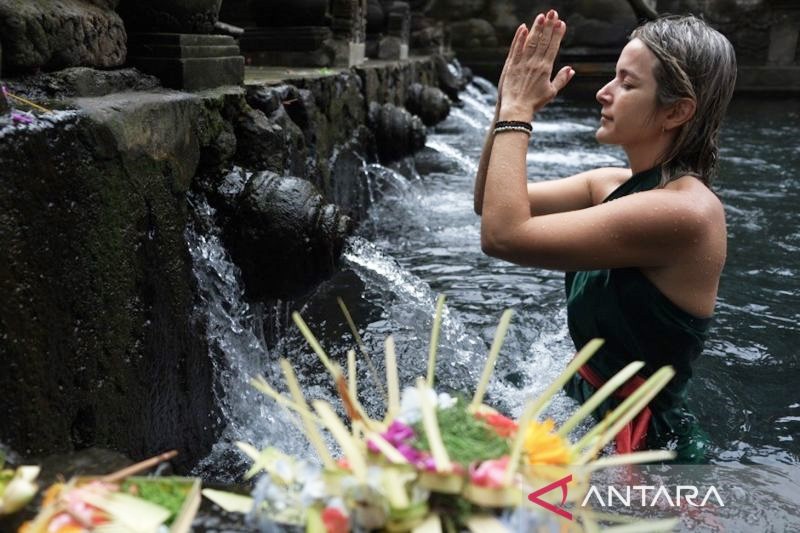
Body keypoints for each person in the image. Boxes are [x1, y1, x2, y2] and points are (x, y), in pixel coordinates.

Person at [473, 11, 737, 462]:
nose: (603, 92)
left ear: (676, 111)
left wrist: (519, 112)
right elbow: (489, 202)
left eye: (627, 83)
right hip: (581, 407)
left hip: (640, 449)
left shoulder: (687, 213)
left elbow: (503, 235)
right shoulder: (609, 183)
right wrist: (506, 105)